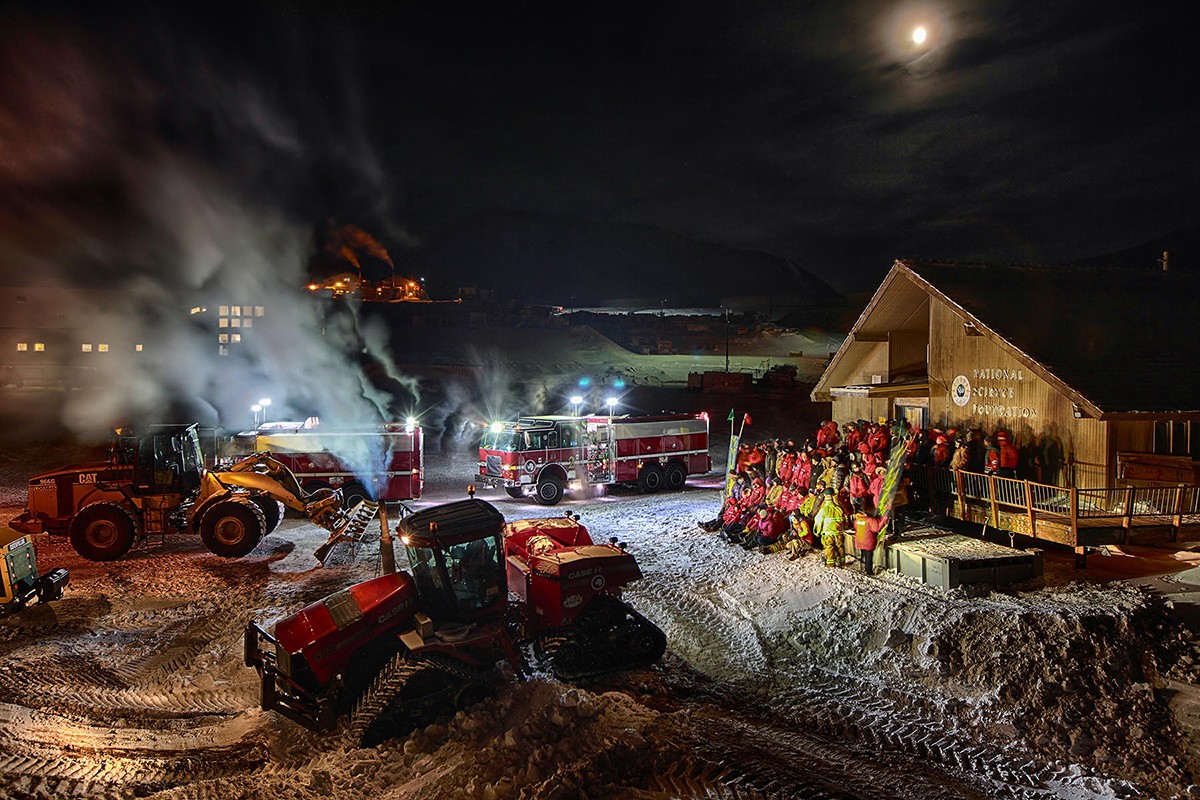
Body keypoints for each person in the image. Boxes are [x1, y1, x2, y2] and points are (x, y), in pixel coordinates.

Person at [813, 487, 847, 567]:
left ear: (825, 495)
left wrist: (817, 531)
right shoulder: (839, 509)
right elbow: (844, 520)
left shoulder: (824, 510)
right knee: (840, 547)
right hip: (838, 533)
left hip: (828, 533)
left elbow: (818, 521)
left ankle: (831, 563)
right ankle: (842, 562)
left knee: (829, 548)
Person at [852, 510, 888, 575]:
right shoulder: (870, 520)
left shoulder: (857, 520)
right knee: (869, 556)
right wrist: (883, 519)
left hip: (860, 541)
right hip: (868, 541)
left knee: (863, 554)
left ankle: (863, 567)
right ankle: (869, 571)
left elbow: (855, 528)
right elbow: (876, 528)